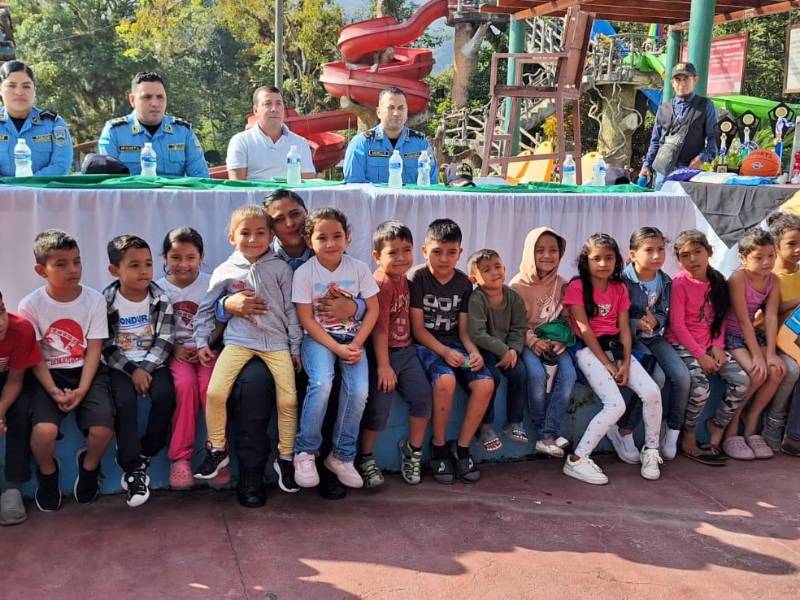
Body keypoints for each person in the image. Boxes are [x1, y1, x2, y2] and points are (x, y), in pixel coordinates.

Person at [220, 190, 364, 501]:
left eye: (295, 214)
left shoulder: (327, 247)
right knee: (252, 385)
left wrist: (356, 309)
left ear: (306, 212)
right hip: (269, 343)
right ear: (269, 227)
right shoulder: (258, 252)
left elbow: (363, 296)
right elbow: (225, 286)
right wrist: (226, 304)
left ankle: (325, 465)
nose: (290, 223)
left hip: (320, 342)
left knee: (330, 380)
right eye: (278, 219)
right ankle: (252, 475)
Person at [193, 205, 301, 493]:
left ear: (270, 236)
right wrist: (202, 342)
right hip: (239, 341)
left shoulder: (280, 268)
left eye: (260, 232)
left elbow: (292, 311)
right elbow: (205, 309)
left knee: (288, 401)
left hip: (277, 344)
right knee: (215, 392)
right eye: (245, 233)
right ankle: (217, 449)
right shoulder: (225, 270)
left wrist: (295, 347)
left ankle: (286, 457)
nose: (253, 239)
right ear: (231, 237)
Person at [18, 230, 115, 512]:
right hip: (48, 375)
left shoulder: (94, 300)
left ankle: (90, 467)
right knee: (44, 432)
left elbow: (94, 348)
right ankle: (48, 474)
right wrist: (52, 390)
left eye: (77, 261)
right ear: (41, 270)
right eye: (61, 264)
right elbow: (35, 355)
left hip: (86, 372)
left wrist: (83, 389)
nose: (73, 270)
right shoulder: (30, 305)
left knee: (101, 429)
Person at [562, 233, 663, 485]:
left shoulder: (619, 288)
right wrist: (607, 365)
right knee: (615, 404)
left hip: (616, 348)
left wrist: (625, 362)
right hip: (587, 350)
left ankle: (651, 450)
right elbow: (584, 330)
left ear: (617, 260)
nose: (604, 264)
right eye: (597, 258)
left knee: (651, 391)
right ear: (586, 261)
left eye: (609, 258)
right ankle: (576, 459)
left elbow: (624, 329)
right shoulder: (577, 287)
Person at [292, 207, 379, 488]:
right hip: (319, 339)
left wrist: (355, 343)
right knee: (322, 383)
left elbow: (373, 310)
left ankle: (342, 456)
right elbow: (306, 318)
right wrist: (337, 348)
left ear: (348, 236)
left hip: (353, 340)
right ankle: (305, 451)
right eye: (322, 238)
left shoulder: (359, 269)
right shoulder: (305, 272)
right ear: (310, 241)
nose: (330, 244)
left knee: (360, 391)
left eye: (337, 236)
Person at [409, 219, 495, 484]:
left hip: (455, 344)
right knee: (445, 379)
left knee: (485, 383)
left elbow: (463, 329)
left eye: (451, 252)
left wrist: (472, 350)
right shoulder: (417, 278)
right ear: (425, 251)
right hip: (427, 345)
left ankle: (463, 447)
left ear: (460, 252)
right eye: (437, 251)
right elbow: (419, 330)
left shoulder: (463, 284)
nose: (444, 259)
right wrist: (445, 352)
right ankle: (439, 445)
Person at [356, 221, 432, 487]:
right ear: (377, 256)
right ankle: (364, 457)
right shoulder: (382, 284)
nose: (401, 258)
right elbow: (379, 330)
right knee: (379, 408)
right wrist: (384, 366)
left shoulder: (406, 280)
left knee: (423, 398)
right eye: (393, 252)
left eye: (406, 250)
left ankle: (413, 450)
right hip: (383, 354)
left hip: (406, 351)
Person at [102, 235, 176, 507]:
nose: (144, 271)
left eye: (147, 263)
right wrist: (133, 370)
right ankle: (132, 467)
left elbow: (165, 339)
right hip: (121, 367)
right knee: (123, 403)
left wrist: (145, 368)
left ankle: (148, 450)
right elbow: (107, 345)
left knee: (166, 395)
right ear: (114, 270)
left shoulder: (160, 298)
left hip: (153, 363)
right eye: (134, 265)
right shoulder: (107, 301)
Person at [666, 230, 749, 466]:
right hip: (683, 345)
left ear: (709, 252)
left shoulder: (718, 281)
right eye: (685, 255)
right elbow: (678, 325)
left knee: (742, 380)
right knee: (700, 386)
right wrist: (701, 355)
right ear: (678, 260)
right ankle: (689, 433)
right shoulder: (680, 283)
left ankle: (718, 425)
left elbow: (719, 317)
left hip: (710, 345)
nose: (692, 259)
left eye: (697, 252)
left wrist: (718, 346)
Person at [613, 227, 691, 462]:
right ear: (633, 254)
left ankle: (673, 430)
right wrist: (636, 323)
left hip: (655, 337)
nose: (657, 256)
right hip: (631, 339)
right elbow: (616, 317)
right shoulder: (623, 282)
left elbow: (665, 313)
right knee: (656, 379)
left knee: (683, 376)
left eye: (660, 249)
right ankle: (624, 430)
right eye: (649, 250)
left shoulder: (665, 281)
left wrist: (657, 320)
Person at [155, 227, 222, 490]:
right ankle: (180, 459)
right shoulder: (158, 289)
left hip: (207, 351)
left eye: (191, 257)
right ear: (164, 257)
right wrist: (174, 349)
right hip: (176, 352)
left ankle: (218, 454)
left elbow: (220, 321)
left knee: (212, 390)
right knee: (184, 387)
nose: (183, 264)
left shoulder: (211, 283)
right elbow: (155, 327)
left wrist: (207, 343)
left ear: (202, 257)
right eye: (175, 257)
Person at [510, 227, 577, 458]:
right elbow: (515, 324)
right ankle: (545, 434)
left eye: (553, 250)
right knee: (537, 376)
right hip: (528, 343)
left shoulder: (563, 284)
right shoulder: (517, 286)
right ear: (529, 253)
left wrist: (563, 343)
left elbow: (569, 320)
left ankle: (548, 432)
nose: (547, 256)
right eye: (540, 250)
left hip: (555, 344)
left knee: (568, 375)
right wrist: (533, 341)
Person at [721, 229, 787, 460]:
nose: (767, 262)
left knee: (778, 370)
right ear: (743, 259)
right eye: (759, 257)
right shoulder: (738, 278)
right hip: (732, 334)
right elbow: (741, 320)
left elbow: (770, 317)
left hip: (752, 335)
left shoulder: (773, 280)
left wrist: (769, 353)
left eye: (771, 255)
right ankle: (732, 427)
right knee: (755, 373)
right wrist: (758, 358)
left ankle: (751, 423)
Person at [467, 249, 529, 452]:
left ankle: (514, 422)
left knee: (519, 373)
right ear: (473, 278)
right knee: (492, 378)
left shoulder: (513, 297)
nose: (495, 272)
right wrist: (503, 350)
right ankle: (484, 426)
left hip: (508, 350)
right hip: (485, 348)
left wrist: (513, 350)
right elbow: (477, 333)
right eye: (486, 270)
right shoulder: (477, 299)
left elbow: (519, 327)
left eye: (497, 267)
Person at [98, 71, 209, 177]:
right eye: (147, 97)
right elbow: (109, 183)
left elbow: (200, 177)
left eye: (160, 97)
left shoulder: (183, 132)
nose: (155, 103)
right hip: (132, 196)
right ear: (132, 100)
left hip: (173, 195)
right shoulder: (114, 132)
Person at [0, 289, 43, 526]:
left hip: (10, 381)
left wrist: (0, 411)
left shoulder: (21, 329)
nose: (0, 322)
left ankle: (12, 490)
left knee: (20, 410)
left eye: (1, 310)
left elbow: (16, 380)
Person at [639, 62, 718, 190]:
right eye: (678, 79)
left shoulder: (705, 105)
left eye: (686, 78)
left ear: (695, 79)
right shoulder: (663, 108)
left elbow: (714, 138)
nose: (682, 83)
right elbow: (655, 141)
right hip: (663, 171)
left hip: (690, 171)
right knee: (661, 206)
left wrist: (702, 159)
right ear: (672, 82)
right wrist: (646, 166)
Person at [343, 87, 437, 185]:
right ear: (378, 112)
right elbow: (354, 188)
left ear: (406, 111)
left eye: (401, 108)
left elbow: (432, 184)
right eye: (390, 108)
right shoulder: (361, 144)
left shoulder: (421, 144)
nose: (396, 113)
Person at [764, 212, 800, 451]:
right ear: (776, 246)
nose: (798, 249)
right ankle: (775, 425)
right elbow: (766, 315)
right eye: (791, 244)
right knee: (792, 369)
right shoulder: (768, 276)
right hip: (776, 341)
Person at [226, 86, 315, 181]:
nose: (274, 109)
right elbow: (238, 187)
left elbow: (308, 187)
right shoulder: (240, 142)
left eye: (279, 104)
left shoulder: (300, 143)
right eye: (267, 104)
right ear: (255, 111)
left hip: (291, 195)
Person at [0, 61, 72, 177]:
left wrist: (29, 185)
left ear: (35, 91)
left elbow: (61, 166)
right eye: (11, 85)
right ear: (1, 89)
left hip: (42, 193)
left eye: (26, 86)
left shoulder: (53, 123)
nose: (19, 92)